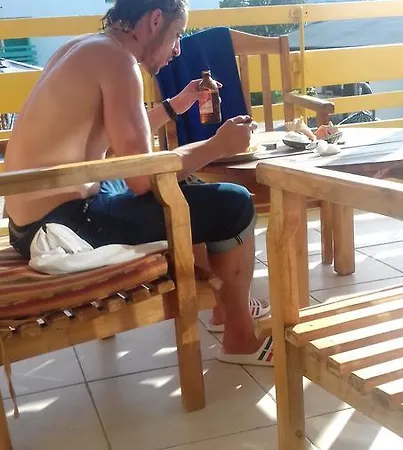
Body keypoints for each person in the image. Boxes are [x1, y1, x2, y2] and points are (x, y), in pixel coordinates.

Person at [4, 0, 273, 366]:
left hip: (31, 221)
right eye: (176, 35)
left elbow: (118, 140)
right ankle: (240, 339)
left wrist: (176, 105)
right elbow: (143, 179)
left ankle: (226, 306)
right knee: (234, 203)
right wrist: (217, 146)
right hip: (63, 230)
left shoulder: (86, 48)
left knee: (189, 184)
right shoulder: (119, 62)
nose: (177, 49)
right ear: (155, 19)